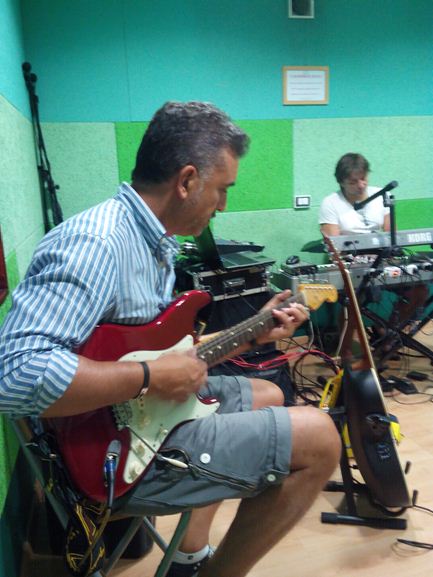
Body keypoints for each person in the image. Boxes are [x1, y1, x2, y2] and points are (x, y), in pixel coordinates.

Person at [0, 101, 341, 577]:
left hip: (136, 414)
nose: (223, 204)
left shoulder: (152, 241)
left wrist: (253, 332)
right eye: (222, 189)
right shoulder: (96, 244)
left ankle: (188, 556)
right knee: (321, 438)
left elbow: (163, 354)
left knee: (267, 392)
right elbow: (14, 377)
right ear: (186, 181)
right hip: (107, 454)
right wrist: (148, 377)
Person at [319, 152, 428, 358]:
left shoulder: (381, 196)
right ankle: (347, 351)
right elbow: (333, 245)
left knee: (419, 290)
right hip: (351, 260)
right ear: (341, 182)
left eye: (363, 179)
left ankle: (389, 334)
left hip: (382, 257)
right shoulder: (331, 203)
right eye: (353, 182)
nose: (361, 185)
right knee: (353, 299)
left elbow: (391, 235)